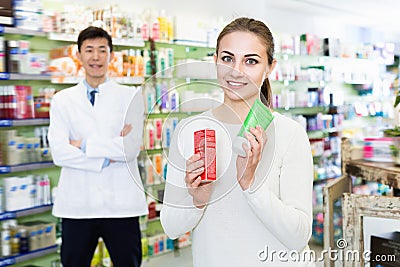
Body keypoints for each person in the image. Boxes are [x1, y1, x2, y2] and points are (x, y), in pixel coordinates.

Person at [160, 17, 315, 266]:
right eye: (227, 58)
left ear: (270, 68)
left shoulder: (290, 133)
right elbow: (171, 227)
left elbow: (298, 236)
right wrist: (197, 201)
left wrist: (251, 185)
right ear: (215, 61)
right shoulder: (190, 131)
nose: (236, 71)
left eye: (251, 61)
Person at [48, 26, 147, 267]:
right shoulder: (62, 100)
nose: (96, 57)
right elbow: (59, 152)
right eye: (89, 50)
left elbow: (131, 148)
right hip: (77, 207)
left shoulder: (131, 96)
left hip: (121, 206)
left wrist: (82, 145)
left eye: (102, 50)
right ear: (79, 55)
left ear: (111, 55)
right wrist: (107, 154)